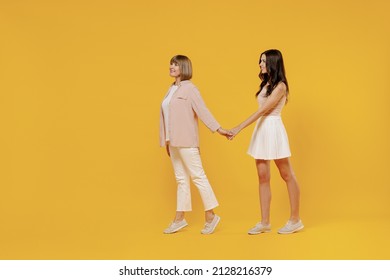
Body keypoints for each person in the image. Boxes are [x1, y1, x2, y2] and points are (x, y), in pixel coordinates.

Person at [228, 49, 303, 234]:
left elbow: (263, 111)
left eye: (263, 61)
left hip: (273, 129)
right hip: (262, 130)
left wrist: (238, 127)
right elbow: (262, 111)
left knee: (287, 174)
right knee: (262, 175)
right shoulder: (266, 84)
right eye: (260, 61)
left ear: (272, 63)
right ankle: (265, 222)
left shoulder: (281, 86)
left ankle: (295, 220)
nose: (260, 64)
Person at [160, 55, 230, 234]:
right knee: (181, 179)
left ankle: (211, 215)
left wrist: (219, 129)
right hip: (173, 142)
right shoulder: (171, 90)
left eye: (175, 64)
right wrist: (167, 140)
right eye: (171, 63)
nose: (171, 66)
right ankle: (180, 218)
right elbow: (168, 118)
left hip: (187, 141)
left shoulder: (190, 89)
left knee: (198, 176)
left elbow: (203, 111)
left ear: (184, 67)